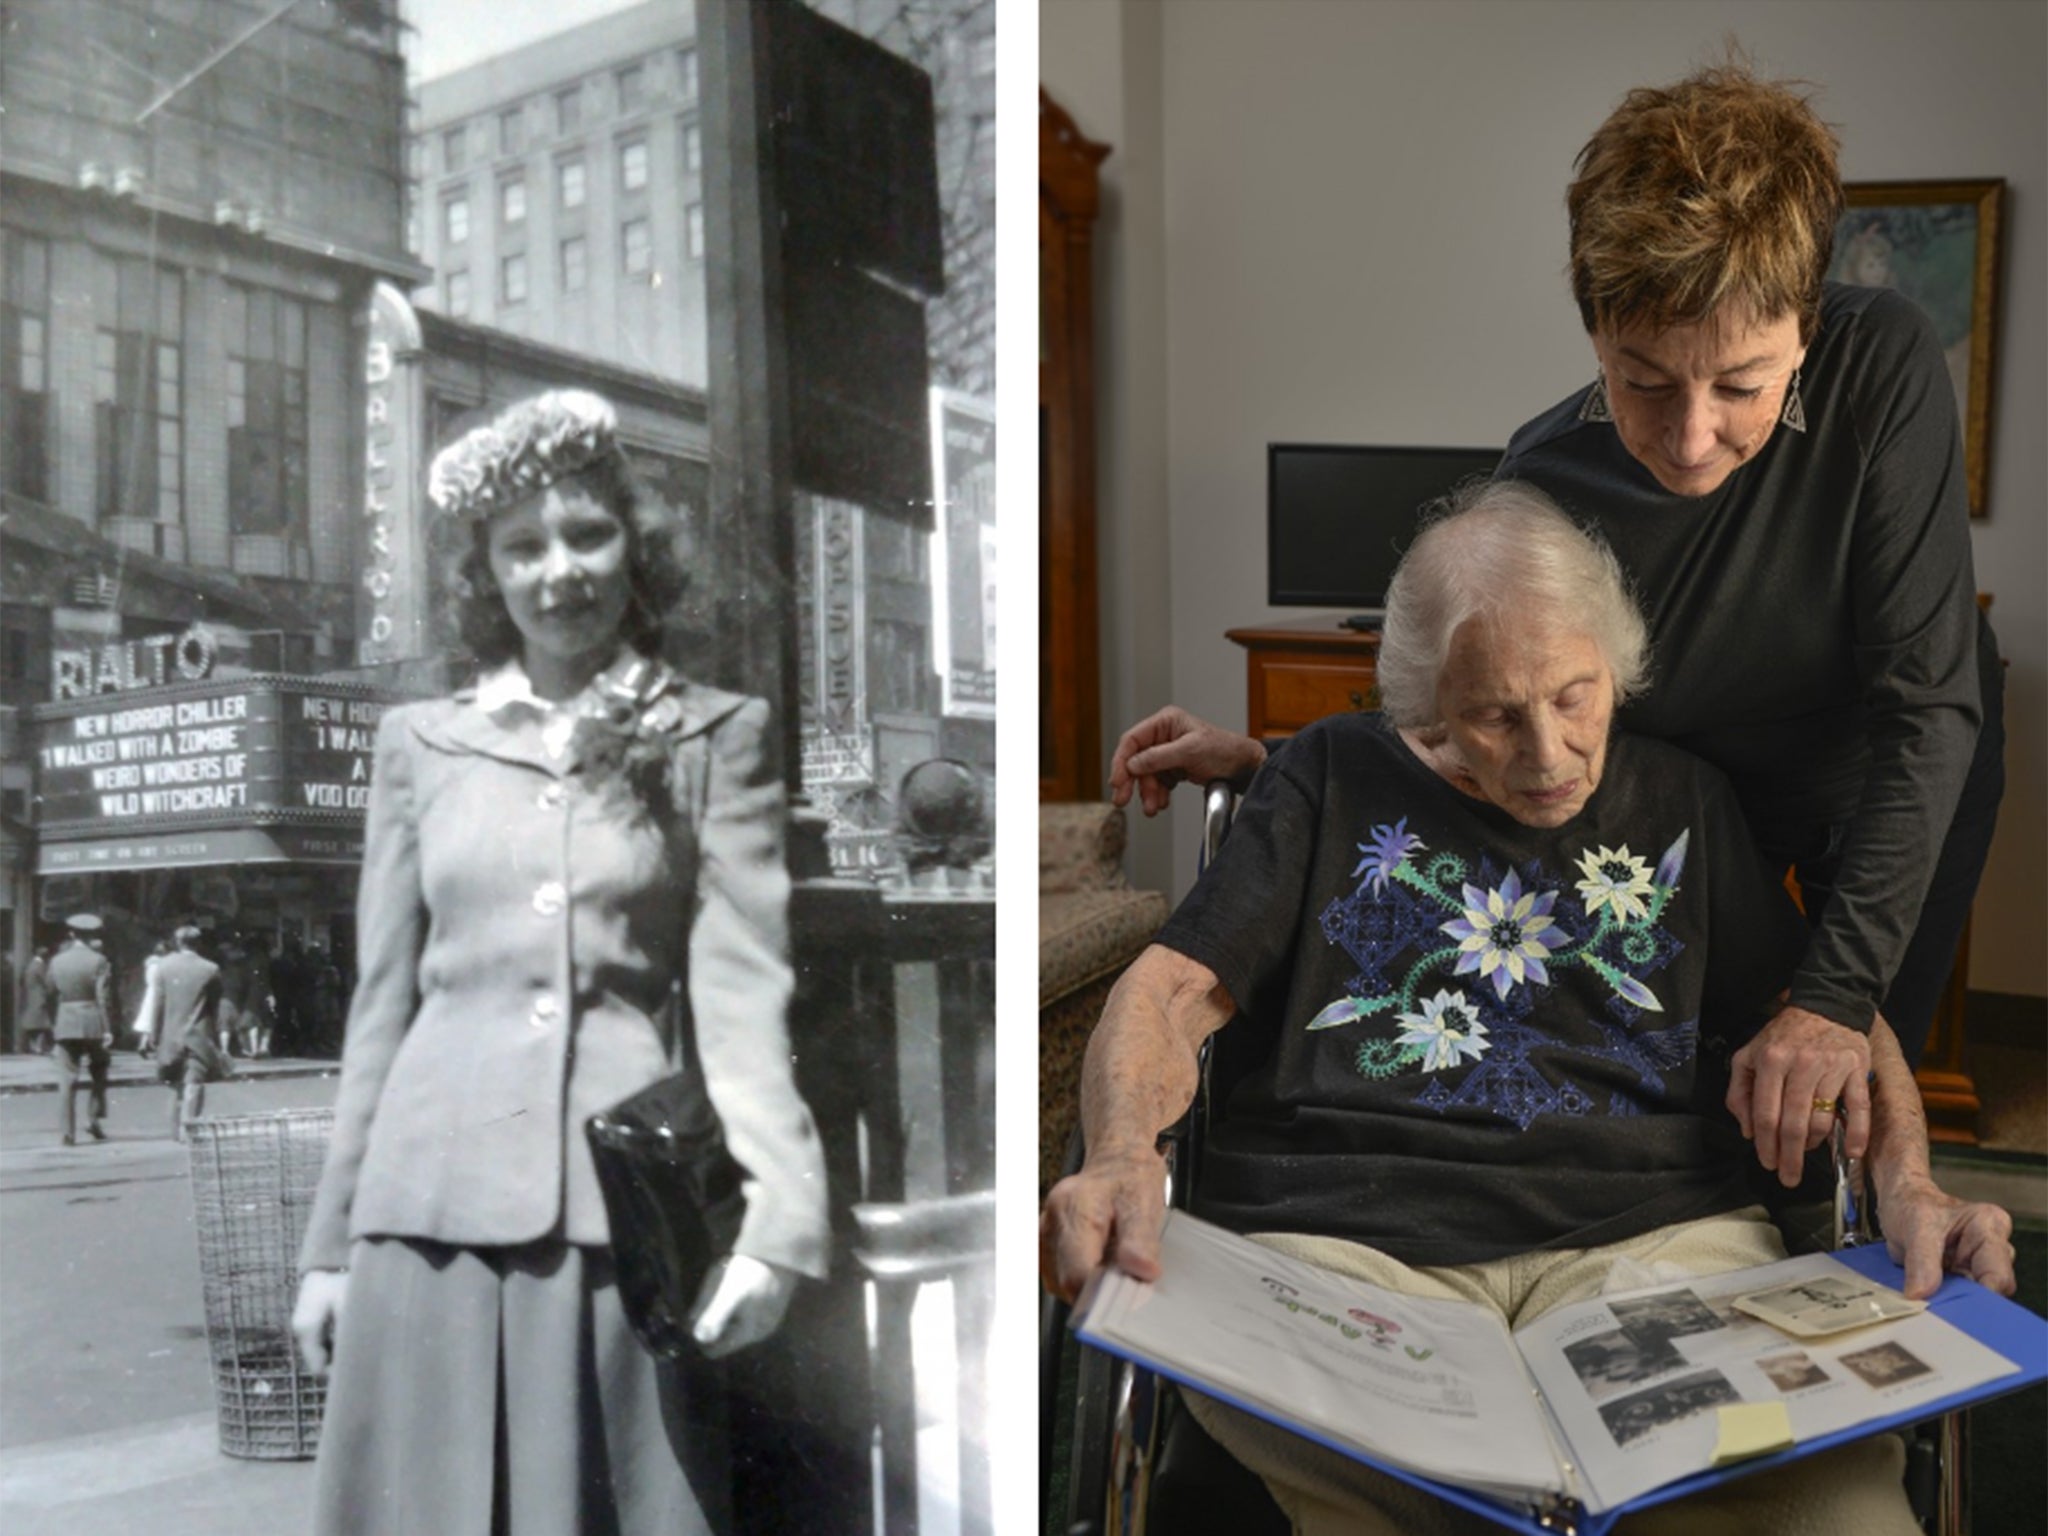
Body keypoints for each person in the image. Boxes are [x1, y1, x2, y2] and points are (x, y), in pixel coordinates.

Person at [1046, 485, 2014, 1536]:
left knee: (1838, 1512)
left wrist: (1911, 1186)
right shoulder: (1329, 773)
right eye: (1494, 715)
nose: (1547, 753)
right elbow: (1167, 989)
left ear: (1614, 664)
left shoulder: (1685, 798)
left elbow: (1825, 1017)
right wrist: (1116, 1153)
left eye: (1573, 695)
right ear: (1422, 705)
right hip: (1343, 1250)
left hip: (1655, 1249)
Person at [1109, 62, 1999, 1126]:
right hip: (1705, 795)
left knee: (1844, 1089)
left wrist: (1833, 1001)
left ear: (1802, 328)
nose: (1689, 437)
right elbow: (1495, 726)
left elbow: (1925, 707)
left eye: (1741, 386)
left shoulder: (1881, 362)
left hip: (1886, 773)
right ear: (1591, 331)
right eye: (1644, 381)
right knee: (1713, 1080)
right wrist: (1278, 763)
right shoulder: (1540, 474)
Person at [290, 389, 830, 1536]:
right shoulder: (418, 745)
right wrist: (330, 1249)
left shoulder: (714, 735)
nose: (559, 570)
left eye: (588, 533)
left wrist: (777, 1224)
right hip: (419, 1223)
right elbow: (379, 1009)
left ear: (638, 544)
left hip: (611, 1224)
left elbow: (740, 996)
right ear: (485, 574)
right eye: (521, 547)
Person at [149, 926, 230, 1143]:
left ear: (177, 942)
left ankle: (175, 1131)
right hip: (198, 1035)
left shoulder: (163, 967)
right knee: (194, 1081)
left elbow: (157, 1004)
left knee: (175, 1085)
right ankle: (189, 1130)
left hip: (170, 1034)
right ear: (199, 943)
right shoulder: (210, 969)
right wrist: (220, 1035)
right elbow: (215, 1005)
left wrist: (153, 1035)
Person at [46, 914, 116, 1145]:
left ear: (72, 934)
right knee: (99, 1072)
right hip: (93, 1021)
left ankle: (67, 1132)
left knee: (66, 1078)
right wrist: (107, 1028)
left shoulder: (57, 961)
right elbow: (102, 997)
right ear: (93, 935)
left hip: (66, 1020)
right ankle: (93, 1119)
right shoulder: (99, 960)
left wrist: (54, 1021)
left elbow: (50, 993)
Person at [17, 945, 53, 1056]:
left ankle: (33, 1046)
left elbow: (21, 980)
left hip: (30, 997)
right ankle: (38, 1047)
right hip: (39, 997)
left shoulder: (29, 965)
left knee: (33, 1024)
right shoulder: (40, 966)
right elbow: (47, 981)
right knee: (41, 1024)